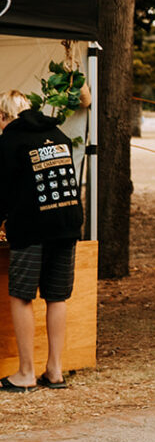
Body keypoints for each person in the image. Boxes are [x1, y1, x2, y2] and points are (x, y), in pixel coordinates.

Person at [1, 89, 85, 391]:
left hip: (32, 225)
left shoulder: (10, 139)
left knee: (22, 295)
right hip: (67, 223)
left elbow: (4, 190)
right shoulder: (58, 133)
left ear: (3, 116)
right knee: (56, 295)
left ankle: (25, 373)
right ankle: (55, 371)